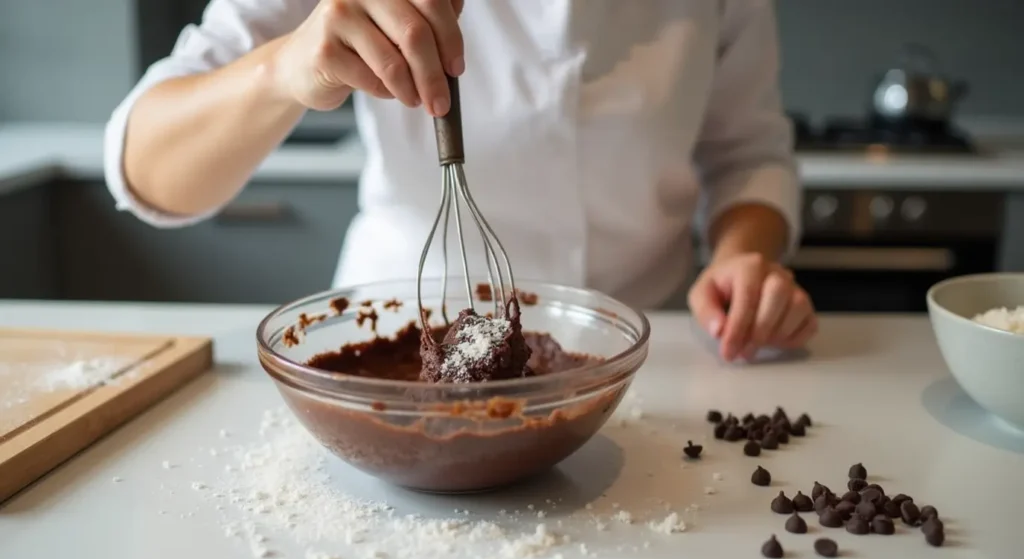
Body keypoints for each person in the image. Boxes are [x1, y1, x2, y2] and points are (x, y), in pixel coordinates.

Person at [104, 0, 817, 362]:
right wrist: (288, 66)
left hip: (645, 356)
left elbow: (747, 152)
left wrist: (739, 260)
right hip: (399, 344)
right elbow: (147, 165)